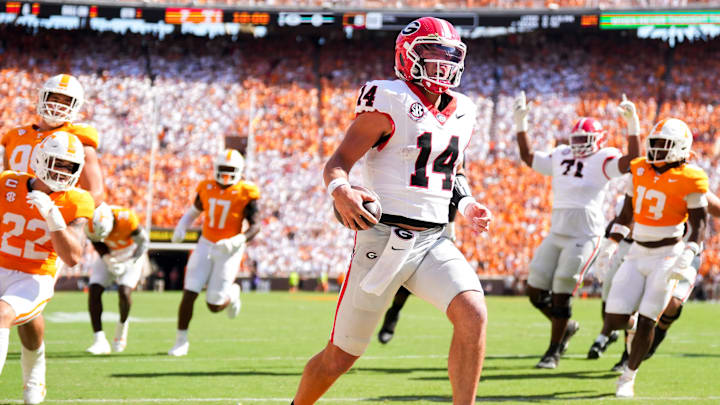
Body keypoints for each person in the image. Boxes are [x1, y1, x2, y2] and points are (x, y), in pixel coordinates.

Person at [292, 17, 491, 405]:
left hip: (434, 240)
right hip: (383, 239)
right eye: (432, 54)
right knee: (340, 356)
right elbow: (337, 162)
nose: (443, 65)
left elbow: (454, 171)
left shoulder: (465, 109)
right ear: (408, 57)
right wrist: (342, 192)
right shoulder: (388, 98)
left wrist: (466, 203)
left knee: (474, 313)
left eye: (450, 56)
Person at [513, 92, 641, 369]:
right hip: (557, 232)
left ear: (599, 141)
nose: (581, 146)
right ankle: (566, 325)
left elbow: (632, 159)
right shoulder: (560, 155)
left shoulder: (604, 159)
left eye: (586, 141)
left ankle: (554, 350)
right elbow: (527, 156)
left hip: (585, 235)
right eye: (577, 141)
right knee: (534, 290)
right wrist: (520, 124)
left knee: (561, 289)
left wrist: (633, 127)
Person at [0, 75, 104, 402]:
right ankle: (34, 379)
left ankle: (33, 378)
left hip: (46, 242)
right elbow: (10, 186)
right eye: (53, 97)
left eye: (65, 100)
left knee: (10, 307)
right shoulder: (15, 141)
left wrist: (65, 217)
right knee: (23, 316)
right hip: (11, 232)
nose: (61, 170)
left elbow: (93, 190)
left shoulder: (77, 144)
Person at [593, 118, 709, 398]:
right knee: (614, 319)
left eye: (663, 145)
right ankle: (633, 328)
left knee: (648, 319)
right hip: (636, 252)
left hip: (667, 255)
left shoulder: (691, 178)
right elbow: (625, 215)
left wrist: (690, 252)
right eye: (654, 143)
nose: (656, 150)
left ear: (680, 148)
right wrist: (610, 245)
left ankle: (628, 376)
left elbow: (699, 226)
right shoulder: (639, 169)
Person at [601, 191, 720, 371]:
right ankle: (628, 355)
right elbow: (626, 216)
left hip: (685, 252)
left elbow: (715, 209)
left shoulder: (690, 182)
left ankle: (659, 333)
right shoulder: (647, 178)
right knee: (637, 302)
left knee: (672, 304)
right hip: (652, 253)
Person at [168, 149, 260, 357]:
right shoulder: (206, 187)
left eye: (230, 170)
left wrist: (237, 240)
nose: (226, 174)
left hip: (230, 249)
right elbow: (194, 211)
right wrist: (182, 225)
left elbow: (256, 226)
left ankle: (232, 295)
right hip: (206, 243)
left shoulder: (247, 191)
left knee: (214, 305)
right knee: (189, 291)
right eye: (223, 169)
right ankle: (181, 341)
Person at [377, 203, 458, 344]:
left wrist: (450, 227)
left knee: (450, 278)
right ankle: (394, 311)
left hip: (436, 227)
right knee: (400, 275)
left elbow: (453, 189)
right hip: (405, 220)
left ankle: (463, 326)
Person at [84, 204, 149, 355]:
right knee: (94, 289)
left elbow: (144, 243)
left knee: (124, 292)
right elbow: (96, 241)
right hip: (110, 254)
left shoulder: (128, 219)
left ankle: (122, 327)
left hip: (131, 254)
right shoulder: (91, 221)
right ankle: (99, 340)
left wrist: (129, 262)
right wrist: (107, 259)